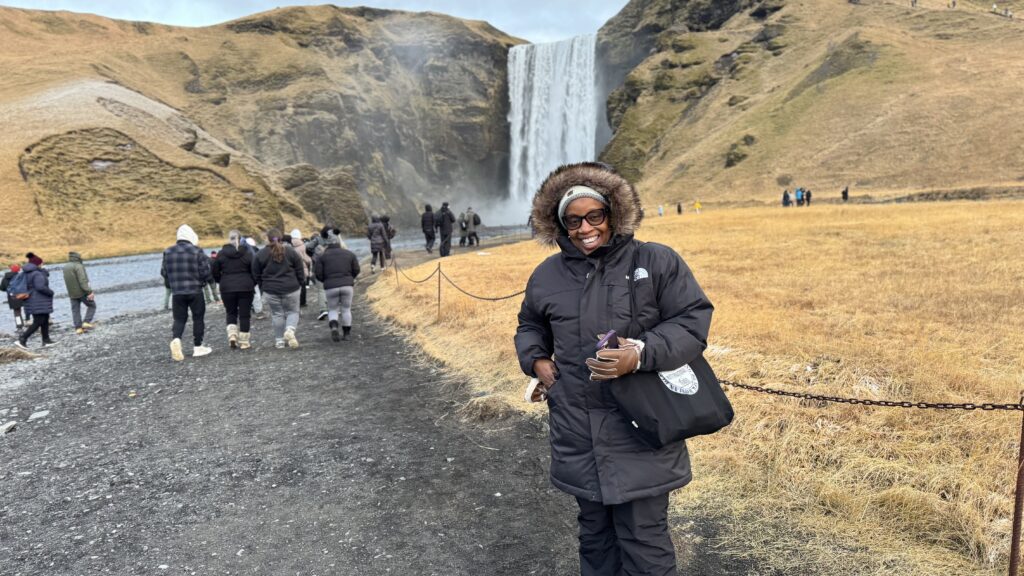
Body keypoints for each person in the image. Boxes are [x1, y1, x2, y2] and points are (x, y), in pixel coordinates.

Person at [515, 162, 713, 576]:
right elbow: (531, 324)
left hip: (639, 427)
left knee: (643, 537)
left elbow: (692, 321)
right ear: (559, 225)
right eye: (572, 220)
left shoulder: (655, 260)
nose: (585, 228)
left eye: (594, 215)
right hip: (575, 428)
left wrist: (641, 352)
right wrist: (536, 359)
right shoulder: (546, 275)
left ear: (612, 213)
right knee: (595, 535)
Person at [161, 224, 213, 361]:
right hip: (195, 290)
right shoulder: (197, 251)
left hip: (177, 292)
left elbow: (164, 273)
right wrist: (204, 282)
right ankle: (198, 347)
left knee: (179, 319)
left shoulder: (168, 252)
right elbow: (205, 272)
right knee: (198, 318)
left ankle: (176, 339)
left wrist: (171, 284)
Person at [252, 228, 305, 349]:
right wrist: (299, 283)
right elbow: (300, 269)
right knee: (293, 311)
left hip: (271, 290)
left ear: (268, 239)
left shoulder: (260, 254)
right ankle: (290, 330)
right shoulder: (291, 251)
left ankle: (279, 341)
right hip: (291, 287)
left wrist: (263, 286)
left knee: (277, 314)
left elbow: (255, 274)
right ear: (281, 238)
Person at [211, 230, 256, 350]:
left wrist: (221, 281)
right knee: (244, 315)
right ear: (240, 239)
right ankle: (244, 341)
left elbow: (214, 271)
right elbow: (254, 270)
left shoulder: (221, 253)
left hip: (227, 287)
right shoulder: (247, 253)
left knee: (231, 312)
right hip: (246, 286)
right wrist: (252, 282)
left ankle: (232, 335)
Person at [314, 233, 360, 342]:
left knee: (333, 309)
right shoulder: (349, 254)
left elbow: (318, 273)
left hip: (331, 286)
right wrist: (350, 278)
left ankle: (334, 326)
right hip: (347, 285)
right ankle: (347, 334)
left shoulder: (322, 257)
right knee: (346, 309)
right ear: (339, 242)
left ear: (327, 244)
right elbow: (357, 269)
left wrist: (325, 281)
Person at [15, 259, 57, 350]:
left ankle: (46, 340)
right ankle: (22, 339)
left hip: (33, 300)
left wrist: (43, 270)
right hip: (38, 299)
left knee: (45, 318)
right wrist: (50, 292)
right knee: (38, 321)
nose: (43, 264)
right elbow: (40, 287)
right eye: (42, 263)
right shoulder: (36, 273)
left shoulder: (27, 273)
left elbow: (42, 278)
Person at [63, 251, 97, 335]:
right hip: (82, 292)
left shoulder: (65, 266)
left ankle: (78, 328)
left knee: (75, 310)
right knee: (92, 305)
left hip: (71, 293)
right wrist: (89, 292)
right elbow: (83, 281)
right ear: (77, 257)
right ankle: (86, 322)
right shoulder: (79, 266)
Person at [1, 263, 26, 334]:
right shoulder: (21, 276)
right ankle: (30, 321)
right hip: (22, 295)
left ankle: (19, 327)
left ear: (11, 269)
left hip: (12, 297)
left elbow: (2, 288)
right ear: (18, 270)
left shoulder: (5, 277)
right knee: (28, 308)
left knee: (17, 312)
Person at [290, 229, 313, 307]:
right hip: (301, 267)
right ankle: (302, 302)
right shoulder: (302, 245)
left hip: (291, 267)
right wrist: (310, 261)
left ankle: (293, 302)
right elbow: (305, 258)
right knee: (302, 284)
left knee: (293, 285)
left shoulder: (287, 244)